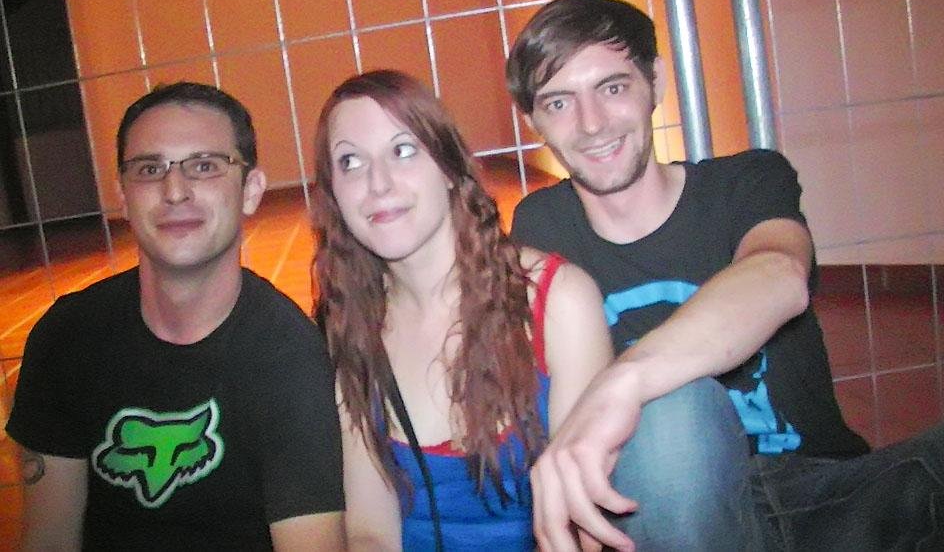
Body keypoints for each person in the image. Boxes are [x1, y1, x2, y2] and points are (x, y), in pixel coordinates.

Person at [505, 0, 944, 551]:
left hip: (819, 490)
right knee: (673, 416)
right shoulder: (542, 225)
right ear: (533, 121)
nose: (592, 123)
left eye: (613, 88)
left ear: (656, 83)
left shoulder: (745, 183)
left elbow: (779, 274)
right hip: (666, 504)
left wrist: (625, 381)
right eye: (559, 102)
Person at [5, 82, 346, 550]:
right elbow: (49, 539)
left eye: (204, 166)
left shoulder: (290, 359)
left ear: (250, 191)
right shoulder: (67, 339)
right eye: (150, 169)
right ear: (123, 196)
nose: (175, 191)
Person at [311, 69, 612, 550]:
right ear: (334, 195)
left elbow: (580, 528)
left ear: (450, 168)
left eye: (402, 150)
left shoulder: (557, 301)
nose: (378, 183)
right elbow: (371, 532)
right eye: (350, 162)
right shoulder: (348, 325)